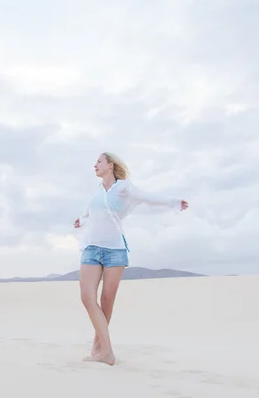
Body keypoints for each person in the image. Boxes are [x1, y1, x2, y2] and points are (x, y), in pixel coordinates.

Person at [73, 152, 188, 366]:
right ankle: (106, 351)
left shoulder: (123, 188)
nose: (95, 165)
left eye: (99, 161)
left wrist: (172, 202)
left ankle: (101, 350)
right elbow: (88, 213)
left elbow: (146, 196)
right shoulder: (97, 193)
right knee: (87, 297)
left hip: (115, 251)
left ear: (110, 165)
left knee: (107, 302)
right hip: (91, 249)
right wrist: (80, 220)